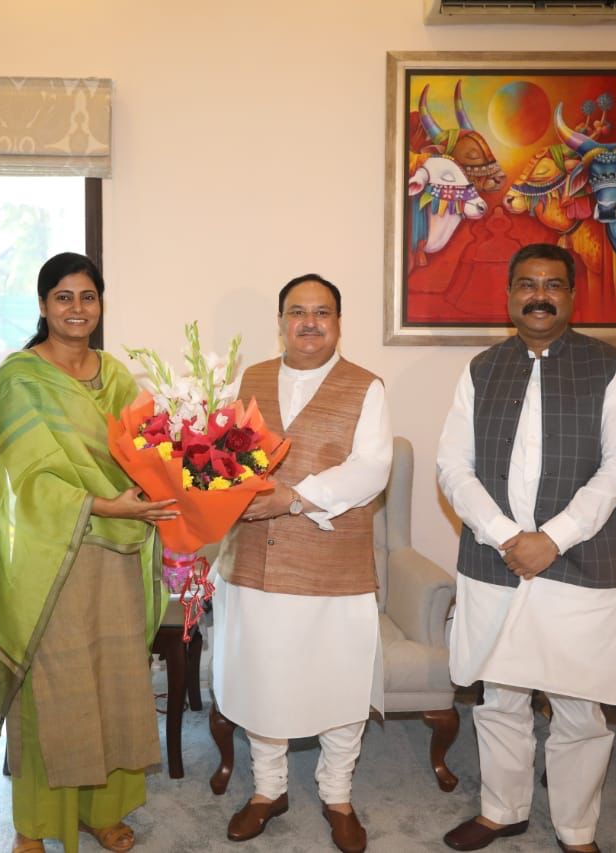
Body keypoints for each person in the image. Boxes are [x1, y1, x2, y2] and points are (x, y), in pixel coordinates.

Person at [435, 243, 616, 853]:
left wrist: (551, 539)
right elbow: (454, 468)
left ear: (572, 296)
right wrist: (507, 538)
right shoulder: (480, 368)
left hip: (580, 559)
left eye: (552, 285)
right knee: (500, 695)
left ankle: (577, 828)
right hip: (494, 558)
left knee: (580, 704)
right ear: (508, 296)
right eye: (526, 284)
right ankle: (502, 810)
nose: (539, 296)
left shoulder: (610, 364)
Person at [0, 253, 177, 853]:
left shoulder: (116, 377)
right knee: (54, 687)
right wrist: (100, 505)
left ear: (100, 305)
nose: (76, 309)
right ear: (42, 306)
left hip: (116, 555)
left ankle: (102, 811)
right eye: (63, 297)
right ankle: (36, 823)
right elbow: (20, 478)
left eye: (87, 297)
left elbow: (146, 454)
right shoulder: (19, 379)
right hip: (53, 553)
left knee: (113, 679)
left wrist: (154, 493)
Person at [211, 274, 392, 853]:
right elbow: (226, 456)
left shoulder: (367, 386)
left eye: (322, 312)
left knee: (338, 682)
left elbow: (371, 471)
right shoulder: (252, 379)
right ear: (281, 321)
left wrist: (292, 497)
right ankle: (268, 789)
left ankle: (337, 794)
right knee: (262, 677)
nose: (309, 323)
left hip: (332, 565)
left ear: (338, 322)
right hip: (255, 565)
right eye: (297, 312)